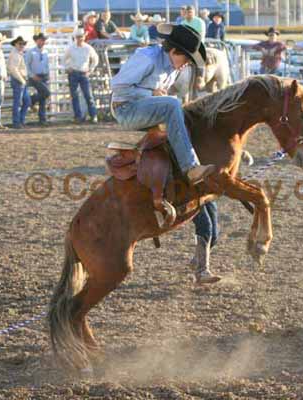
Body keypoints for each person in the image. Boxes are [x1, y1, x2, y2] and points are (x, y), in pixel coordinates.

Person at [111, 23, 218, 283]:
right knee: (172, 104)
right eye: (185, 58)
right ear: (174, 51)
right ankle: (190, 166)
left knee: (179, 111)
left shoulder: (170, 66)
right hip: (126, 109)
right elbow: (119, 86)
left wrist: (155, 96)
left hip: (144, 108)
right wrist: (152, 93)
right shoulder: (146, 57)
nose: (185, 65)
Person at [64, 28, 99, 124]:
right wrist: (68, 67)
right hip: (74, 73)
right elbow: (64, 59)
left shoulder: (88, 48)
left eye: (81, 37)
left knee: (88, 95)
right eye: (78, 37)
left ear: (84, 37)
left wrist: (90, 70)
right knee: (75, 96)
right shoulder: (71, 48)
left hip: (83, 73)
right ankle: (78, 116)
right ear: (75, 38)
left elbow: (95, 59)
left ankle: (93, 115)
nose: (80, 39)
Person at [25, 33, 51, 126]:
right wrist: (32, 75)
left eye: (43, 40)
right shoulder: (30, 52)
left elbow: (47, 64)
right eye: (40, 40)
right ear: (36, 41)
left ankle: (42, 119)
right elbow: (26, 65)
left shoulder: (46, 52)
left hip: (44, 75)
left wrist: (48, 73)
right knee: (46, 93)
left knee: (43, 98)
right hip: (35, 76)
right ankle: (31, 100)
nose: (42, 42)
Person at [7, 36, 31, 129]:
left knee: (25, 101)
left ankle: (19, 121)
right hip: (18, 80)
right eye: (20, 44)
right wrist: (22, 80)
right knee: (19, 102)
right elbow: (14, 69)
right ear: (16, 44)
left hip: (20, 80)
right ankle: (17, 122)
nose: (22, 45)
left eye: (23, 44)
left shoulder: (18, 54)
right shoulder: (16, 55)